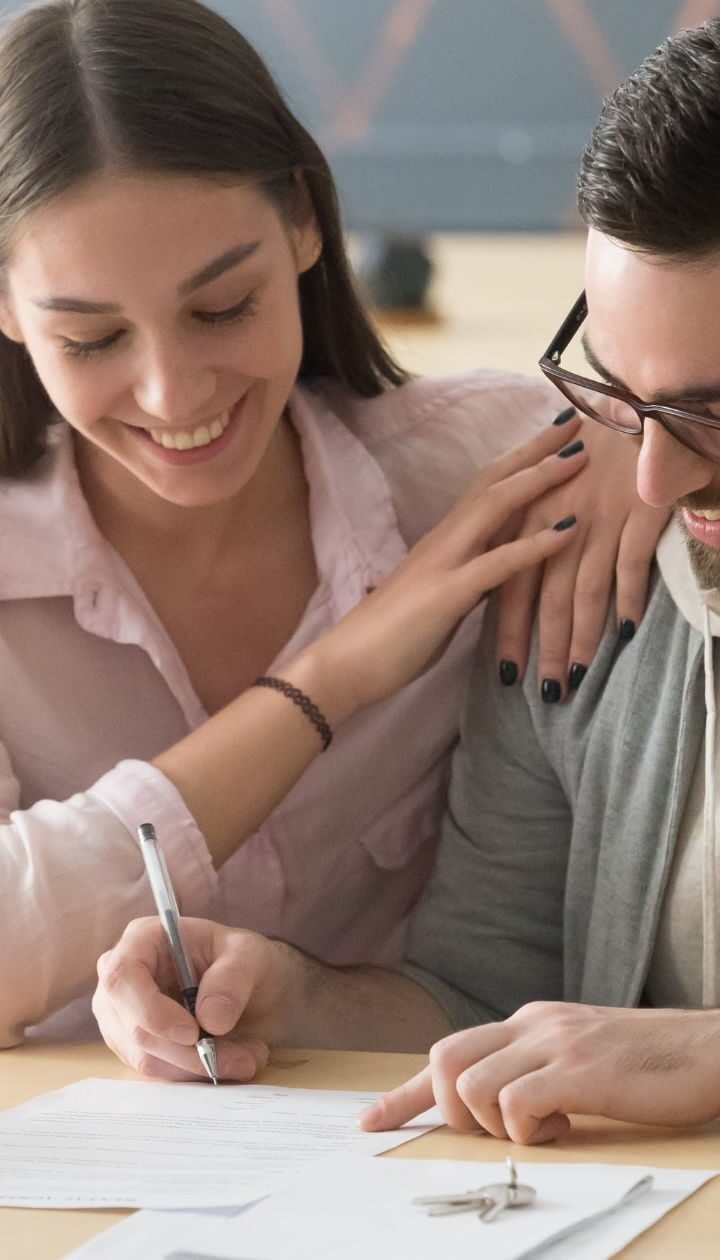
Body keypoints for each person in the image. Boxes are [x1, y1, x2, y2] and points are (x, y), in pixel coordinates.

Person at [93, 17, 720, 1143]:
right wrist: (302, 999)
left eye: (713, 413)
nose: (660, 477)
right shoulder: (582, 592)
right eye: (620, 393)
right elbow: (488, 995)